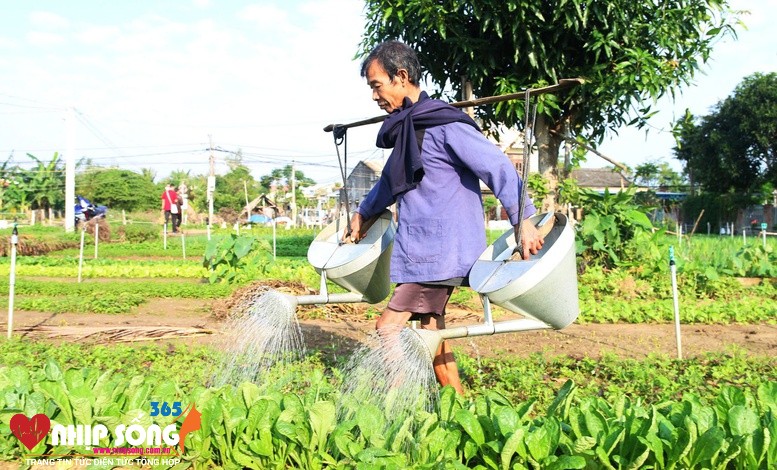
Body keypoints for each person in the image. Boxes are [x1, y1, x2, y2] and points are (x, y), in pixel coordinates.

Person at [347, 41, 545, 395]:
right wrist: (363, 213)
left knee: (388, 327)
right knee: (431, 330)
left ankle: (400, 400)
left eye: (377, 85)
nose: (374, 96)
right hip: (424, 251)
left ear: (401, 77)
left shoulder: (445, 124)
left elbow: (497, 166)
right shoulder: (410, 128)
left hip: (440, 253)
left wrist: (523, 218)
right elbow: (389, 182)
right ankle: (457, 401)